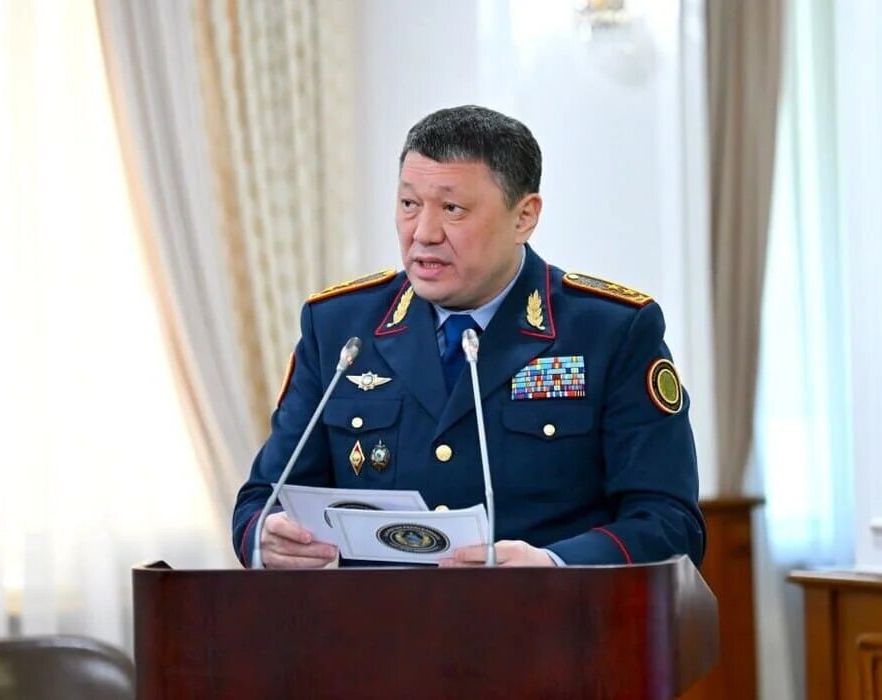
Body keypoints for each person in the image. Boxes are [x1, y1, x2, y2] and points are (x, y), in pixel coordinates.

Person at [232, 105, 705, 568]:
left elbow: (669, 523)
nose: (423, 233)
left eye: (452, 209)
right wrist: (266, 537)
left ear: (524, 217)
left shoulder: (611, 331)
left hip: (547, 617)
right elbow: (262, 500)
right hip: (377, 619)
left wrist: (554, 565)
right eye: (409, 204)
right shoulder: (339, 327)